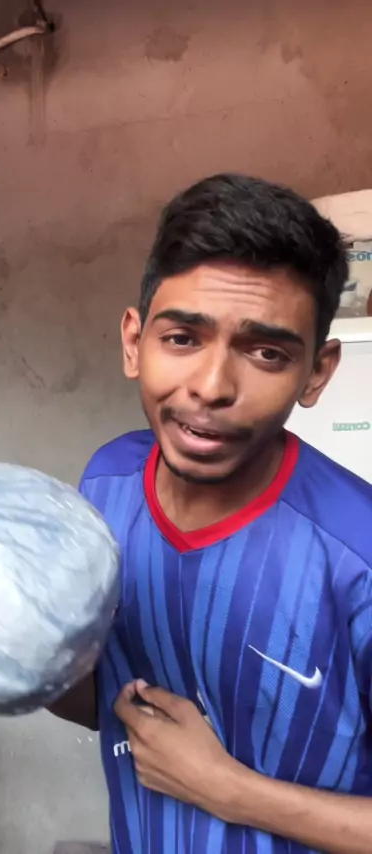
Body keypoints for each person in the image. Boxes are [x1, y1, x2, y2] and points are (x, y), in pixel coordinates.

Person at [49, 173, 372, 854]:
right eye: (182, 339)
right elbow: (105, 707)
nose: (212, 386)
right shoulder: (106, 487)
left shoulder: (358, 553)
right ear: (134, 342)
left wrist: (227, 789)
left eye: (267, 353)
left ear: (317, 372)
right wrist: (20, 658)